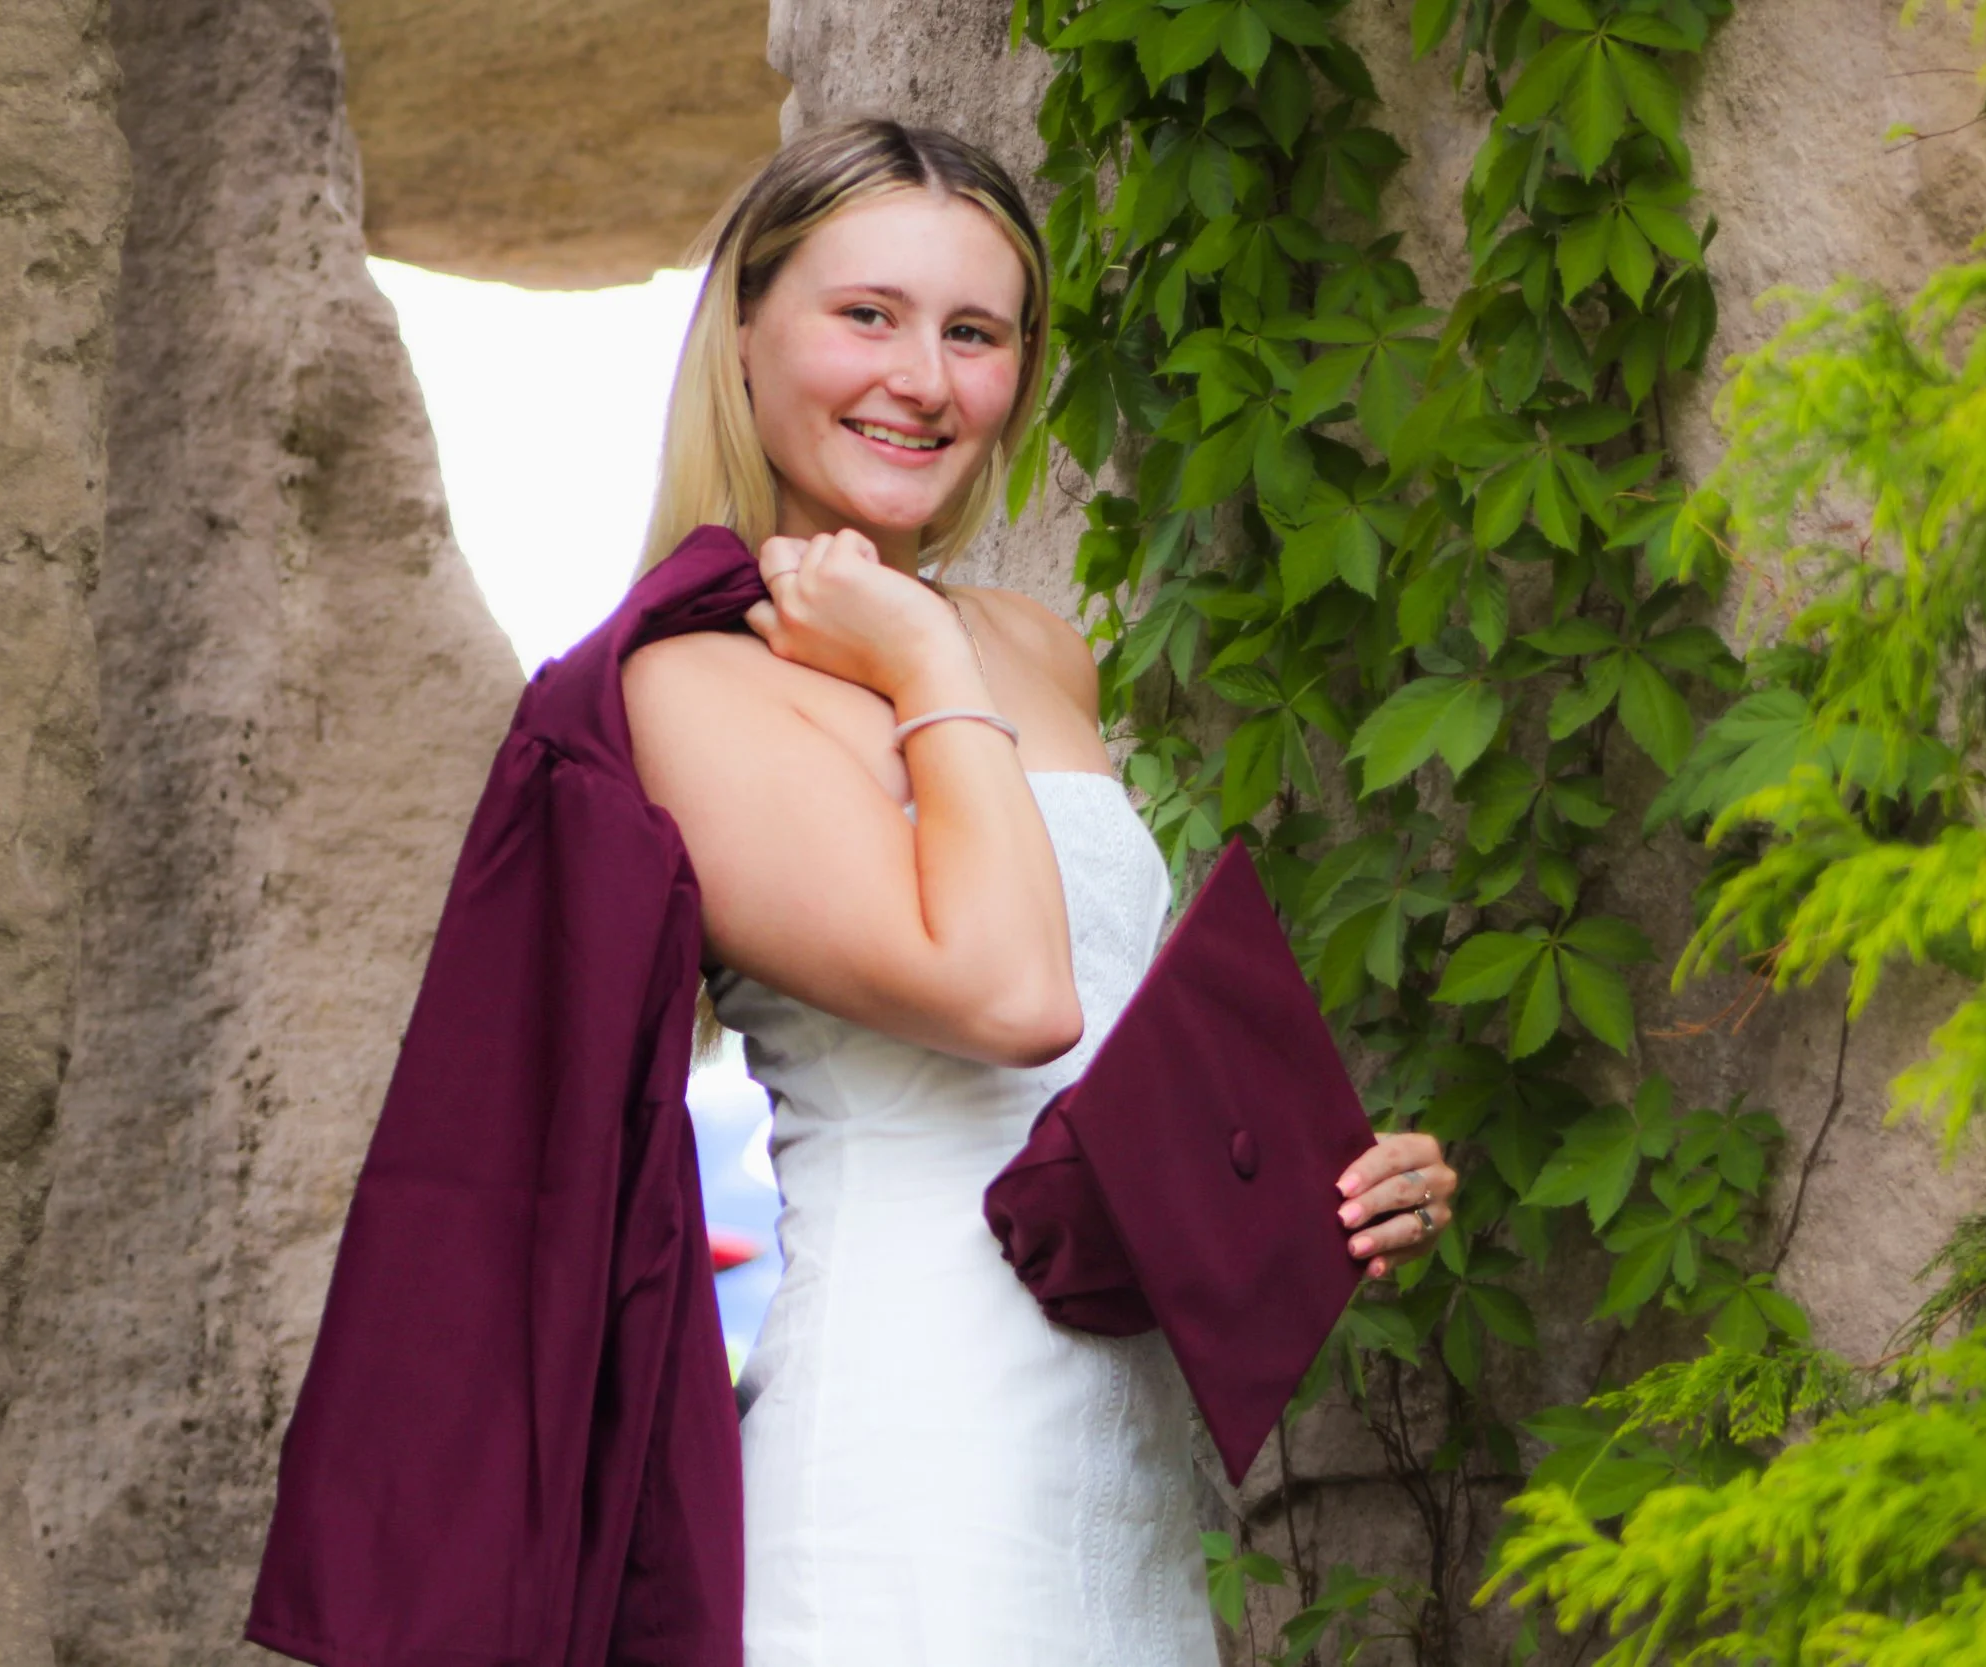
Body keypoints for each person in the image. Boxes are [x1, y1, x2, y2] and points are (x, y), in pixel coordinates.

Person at [620, 119, 1460, 1666]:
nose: (922, 379)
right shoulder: (694, 685)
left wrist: (1326, 1184)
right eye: (865, 314)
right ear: (745, 333)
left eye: (976, 332)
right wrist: (927, 662)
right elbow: (1010, 998)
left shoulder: (1038, 645)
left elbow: (1104, 1071)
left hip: (1127, 1460)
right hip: (906, 1476)